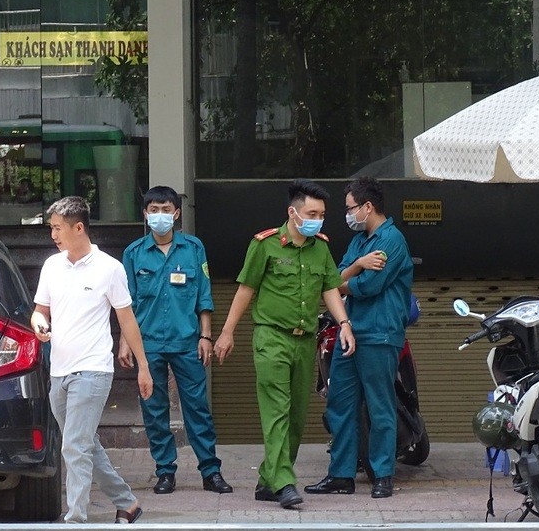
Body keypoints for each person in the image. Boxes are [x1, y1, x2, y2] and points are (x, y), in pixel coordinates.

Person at [214, 179, 354, 509]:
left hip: (305, 341)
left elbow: (330, 289)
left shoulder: (320, 247)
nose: (318, 219)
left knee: (296, 416)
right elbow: (245, 289)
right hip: (271, 338)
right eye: (311, 212)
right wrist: (227, 332)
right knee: (276, 410)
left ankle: (268, 478)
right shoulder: (265, 245)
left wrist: (344, 324)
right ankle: (284, 483)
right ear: (293, 212)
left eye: (321, 214)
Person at [30, 196, 153, 524]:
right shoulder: (51, 266)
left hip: (93, 370)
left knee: (73, 445)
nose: (53, 235)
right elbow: (40, 311)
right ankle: (127, 503)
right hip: (60, 370)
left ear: (78, 227)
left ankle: (76, 518)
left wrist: (143, 366)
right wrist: (39, 324)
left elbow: (126, 319)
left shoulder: (109, 269)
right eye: (51, 229)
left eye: (57, 228)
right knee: (83, 442)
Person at [305, 176, 414, 499]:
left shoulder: (392, 240)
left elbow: (367, 287)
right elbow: (333, 278)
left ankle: (382, 474)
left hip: (379, 334)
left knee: (380, 407)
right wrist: (356, 267)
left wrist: (346, 277)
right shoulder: (360, 242)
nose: (348, 214)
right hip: (349, 332)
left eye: (351, 208)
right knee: (340, 404)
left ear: (368, 207)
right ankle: (341, 475)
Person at [120, 186, 232, 496]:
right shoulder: (133, 253)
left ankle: (211, 471)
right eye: (154, 210)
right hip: (148, 343)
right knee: (154, 410)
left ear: (176, 213)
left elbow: (203, 295)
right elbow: (124, 302)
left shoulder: (194, 248)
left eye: (165, 209)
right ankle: (165, 472)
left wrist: (206, 335)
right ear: (145, 214)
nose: (160, 216)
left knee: (197, 408)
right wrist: (124, 341)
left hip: (187, 341)